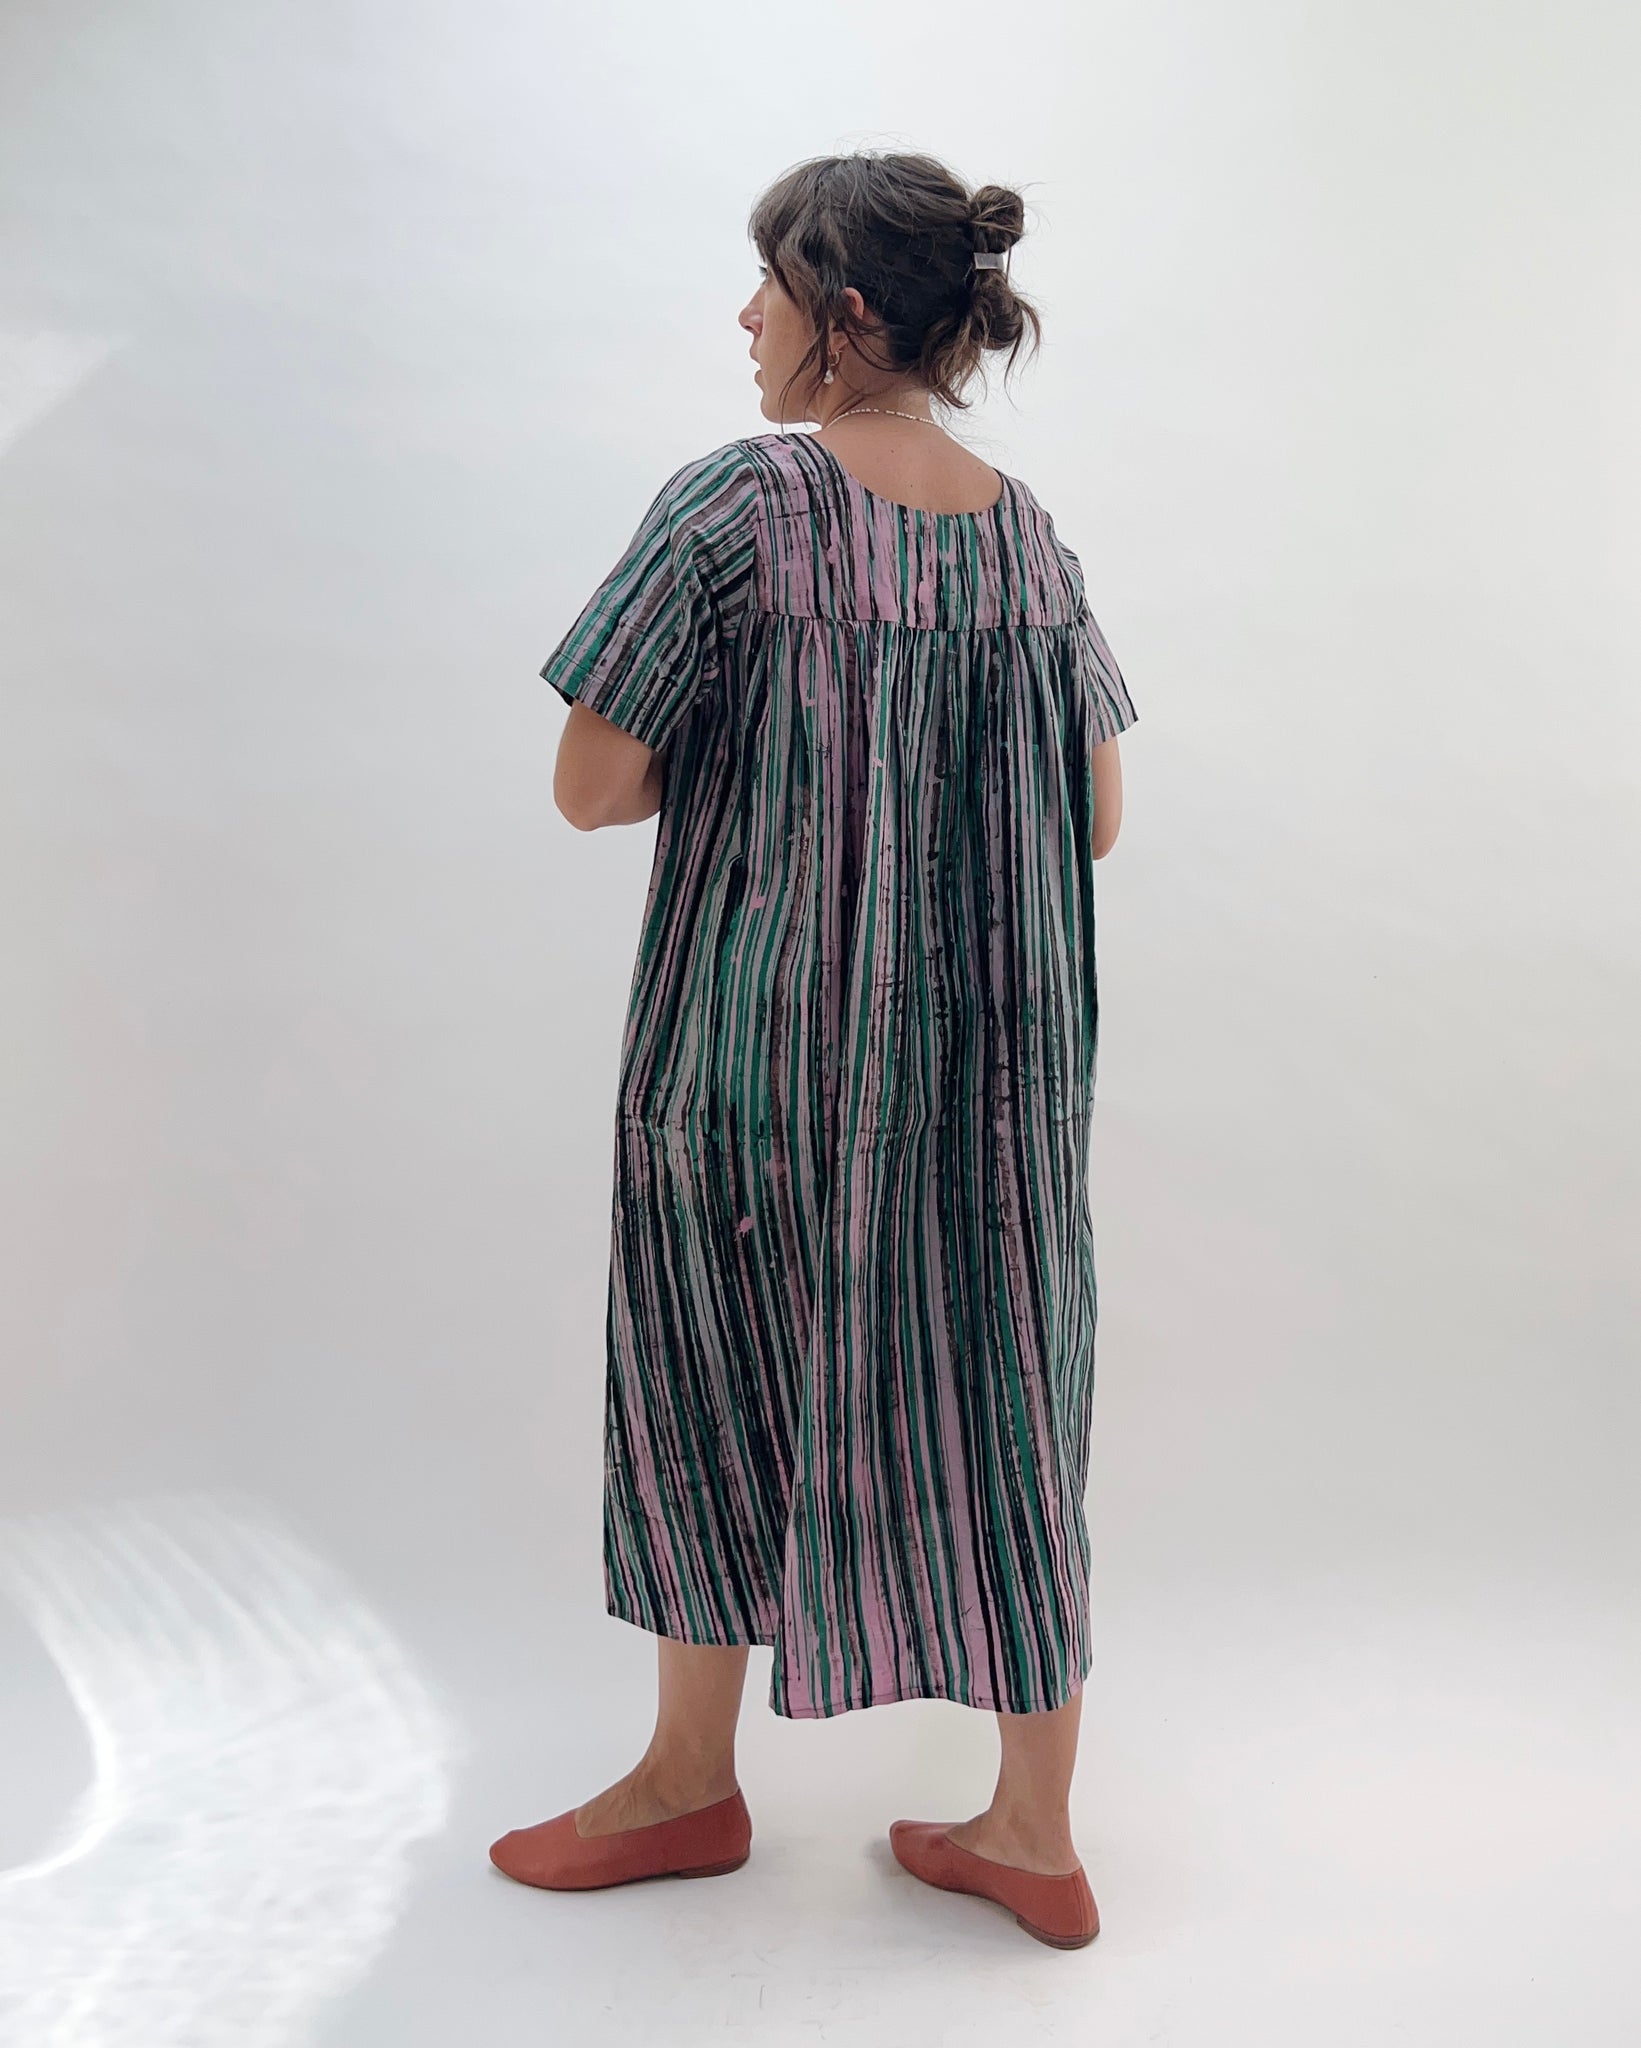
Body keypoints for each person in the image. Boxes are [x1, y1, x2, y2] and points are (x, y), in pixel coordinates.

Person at [489, 150, 1137, 1951]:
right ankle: (1032, 1828)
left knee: (711, 1385)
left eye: (767, 286)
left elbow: (590, 785)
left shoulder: (736, 505)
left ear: (843, 314)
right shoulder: (1025, 537)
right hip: (988, 1104)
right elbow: (1094, 817)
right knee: (1004, 1402)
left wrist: (777, 761)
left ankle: (686, 1785)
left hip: (755, 1070)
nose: (745, 316)